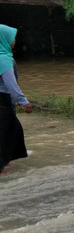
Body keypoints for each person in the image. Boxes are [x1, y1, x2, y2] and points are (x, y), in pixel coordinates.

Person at [0, 24, 32, 174]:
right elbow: (11, 83)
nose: (14, 41)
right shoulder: (4, 59)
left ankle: (6, 161)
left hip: (5, 101)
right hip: (3, 101)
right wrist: (23, 100)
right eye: (12, 38)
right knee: (9, 131)